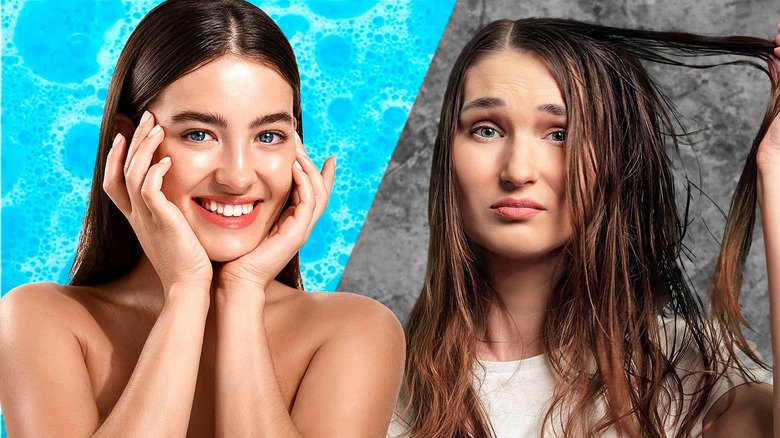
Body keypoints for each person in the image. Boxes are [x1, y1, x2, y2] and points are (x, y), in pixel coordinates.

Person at [0, 1, 404, 436]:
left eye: (269, 136)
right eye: (199, 134)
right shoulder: (38, 320)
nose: (238, 176)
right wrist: (185, 291)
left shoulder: (356, 331)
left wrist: (243, 292)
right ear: (128, 141)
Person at [391, 18, 780, 437]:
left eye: (560, 134)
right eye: (486, 130)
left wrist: (774, 170)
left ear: (615, 158)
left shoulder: (693, 371)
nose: (518, 170)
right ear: (448, 154)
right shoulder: (366, 375)